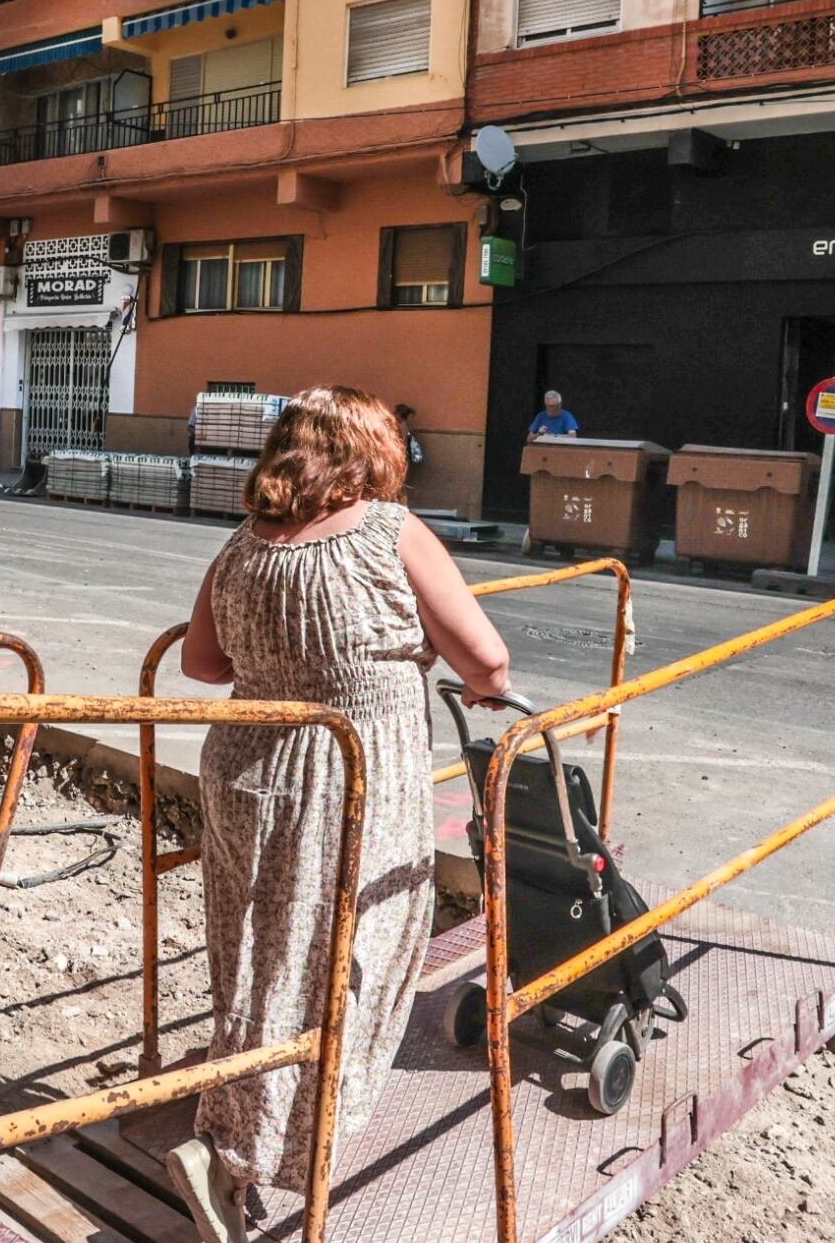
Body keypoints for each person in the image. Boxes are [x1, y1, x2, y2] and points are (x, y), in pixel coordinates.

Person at [167, 386, 514, 1243]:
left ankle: (239, 1125)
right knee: (350, 955)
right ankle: (244, 1152)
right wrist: (455, 673)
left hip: (247, 769)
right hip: (352, 776)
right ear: (372, 454)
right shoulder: (389, 529)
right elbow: (490, 662)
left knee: (256, 958)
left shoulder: (242, 544)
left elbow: (203, 664)